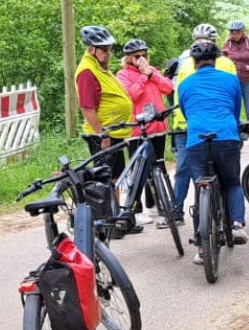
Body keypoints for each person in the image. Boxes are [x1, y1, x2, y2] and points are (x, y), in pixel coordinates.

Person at [176, 40, 248, 263]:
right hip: (226, 135)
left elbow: (187, 114)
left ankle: (200, 247)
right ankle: (236, 224)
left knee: (201, 189)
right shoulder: (231, 79)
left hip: (197, 139)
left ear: (195, 63)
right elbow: (236, 111)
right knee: (232, 183)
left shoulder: (185, 84)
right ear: (215, 60)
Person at [169, 23, 237, 220]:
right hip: (191, 124)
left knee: (189, 170)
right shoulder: (185, 60)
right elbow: (177, 91)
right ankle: (178, 210)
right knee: (188, 170)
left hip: (192, 123)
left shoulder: (224, 61)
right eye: (200, 40)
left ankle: (186, 215)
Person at [116, 39, 175, 224]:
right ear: (129, 58)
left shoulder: (152, 71)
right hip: (138, 130)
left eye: (144, 55)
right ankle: (136, 209)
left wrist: (152, 75)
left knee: (158, 166)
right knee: (139, 171)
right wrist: (142, 77)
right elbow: (131, 95)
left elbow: (169, 88)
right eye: (137, 56)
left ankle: (155, 206)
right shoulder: (123, 75)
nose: (141, 59)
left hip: (157, 128)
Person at [75, 25, 133, 181]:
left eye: (110, 49)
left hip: (114, 131)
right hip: (102, 134)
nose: (109, 53)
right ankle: (106, 207)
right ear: (92, 50)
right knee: (104, 181)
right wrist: (102, 135)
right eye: (105, 50)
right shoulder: (87, 72)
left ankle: (116, 206)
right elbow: (87, 108)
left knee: (116, 178)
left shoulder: (100, 68)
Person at [222, 21, 249, 117]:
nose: (235, 35)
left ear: (243, 32)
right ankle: (237, 129)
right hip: (233, 80)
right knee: (235, 108)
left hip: (247, 80)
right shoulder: (227, 43)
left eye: (237, 33)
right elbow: (222, 60)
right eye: (233, 33)